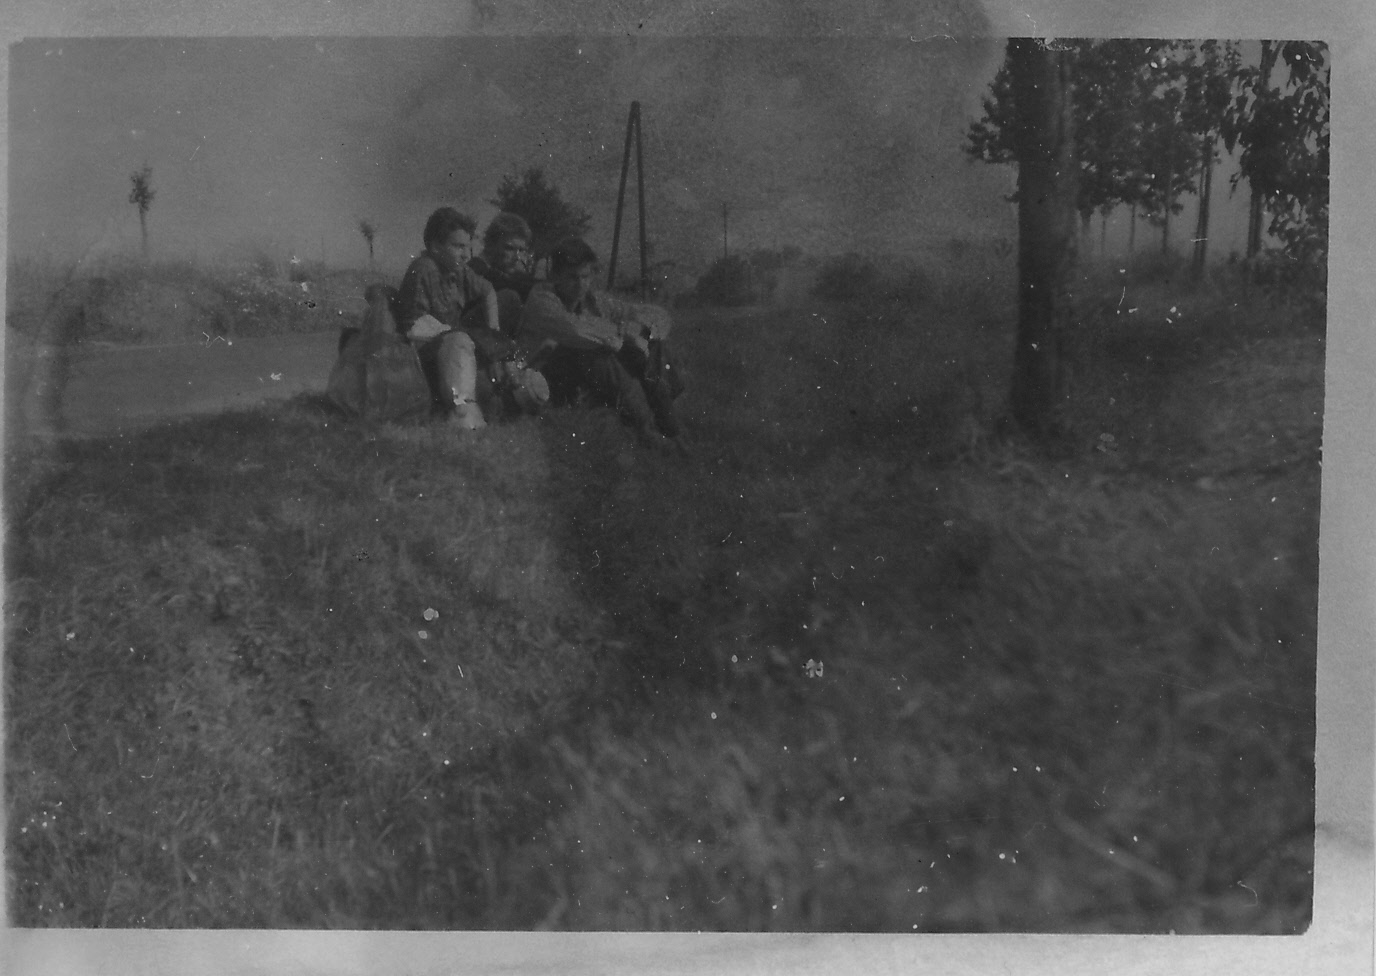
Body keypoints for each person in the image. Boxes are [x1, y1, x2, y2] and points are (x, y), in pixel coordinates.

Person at [518, 236, 686, 451]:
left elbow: (658, 316)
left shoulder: (594, 301)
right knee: (595, 354)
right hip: (539, 376)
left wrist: (642, 331)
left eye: (585, 276)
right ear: (555, 276)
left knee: (652, 344)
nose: (580, 284)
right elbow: (575, 331)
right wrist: (624, 334)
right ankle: (645, 428)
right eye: (572, 277)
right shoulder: (542, 298)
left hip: (579, 377)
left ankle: (668, 422)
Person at [395, 207, 510, 430]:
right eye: (458, 246)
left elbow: (487, 290)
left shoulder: (458, 270)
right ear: (435, 246)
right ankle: (461, 412)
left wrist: (492, 330)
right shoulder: (424, 269)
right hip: (420, 355)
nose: (466, 255)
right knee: (460, 341)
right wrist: (462, 336)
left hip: (450, 350)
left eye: (468, 247)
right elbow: (413, 328)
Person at [468, 211, 538, 337]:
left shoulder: (499, 270)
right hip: (468, 333)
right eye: (509, 248)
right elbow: (507, 283)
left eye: (521, 250)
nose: (517, 257)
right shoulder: (477, 267)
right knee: (511, 297)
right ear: (490, 244)